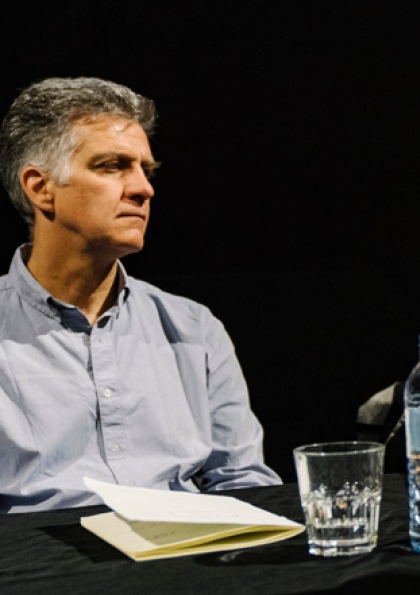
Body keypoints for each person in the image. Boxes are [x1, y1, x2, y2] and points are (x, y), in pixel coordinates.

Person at [0, 77, 279, 512]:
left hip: (183, 565)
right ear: (40, 187)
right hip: (41, 569)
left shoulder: (193, 328)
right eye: (112, 166)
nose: (143, 189)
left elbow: (243, 482)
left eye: (145, 171)